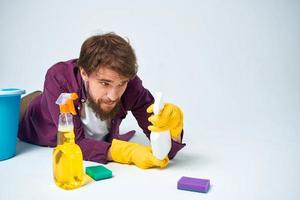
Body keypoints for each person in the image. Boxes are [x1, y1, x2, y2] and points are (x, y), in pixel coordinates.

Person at [18, 33, 185, 169]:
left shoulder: (131, 85)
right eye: (105, 83)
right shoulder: (58, 78)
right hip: (29, 113)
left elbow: (166, 152)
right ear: (84, 73)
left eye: (121, 83)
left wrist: (171, 132)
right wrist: (125, 153)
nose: (113, 95)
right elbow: (73, 144)